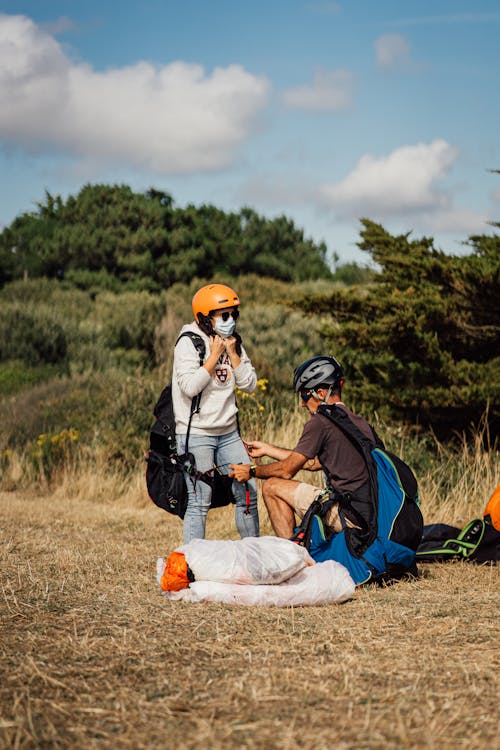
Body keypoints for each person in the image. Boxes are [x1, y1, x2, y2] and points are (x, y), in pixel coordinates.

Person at [229, 355, 378, 540]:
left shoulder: (321, 422)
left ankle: (294, 559)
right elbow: (311, 463)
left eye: (305, 395)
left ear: (321, 393)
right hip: (371, 515)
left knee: (271, 487)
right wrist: (268, 449)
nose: (302, 403)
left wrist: (251, 471)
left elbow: (286, 471)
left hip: (350, 517)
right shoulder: (358, 422)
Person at [173, 283, 259, 543]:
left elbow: (250, 385)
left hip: (228, 433)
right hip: (197, 434)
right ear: (204, 318)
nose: (230, 320)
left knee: (248, 492)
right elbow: (189, 387)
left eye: (234, 314)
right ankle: (192, 562)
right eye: (224, 315)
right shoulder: (188, 342)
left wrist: (232, 354)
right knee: (200, 500)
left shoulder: (234, 343)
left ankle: (254, 555)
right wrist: (214, 357)